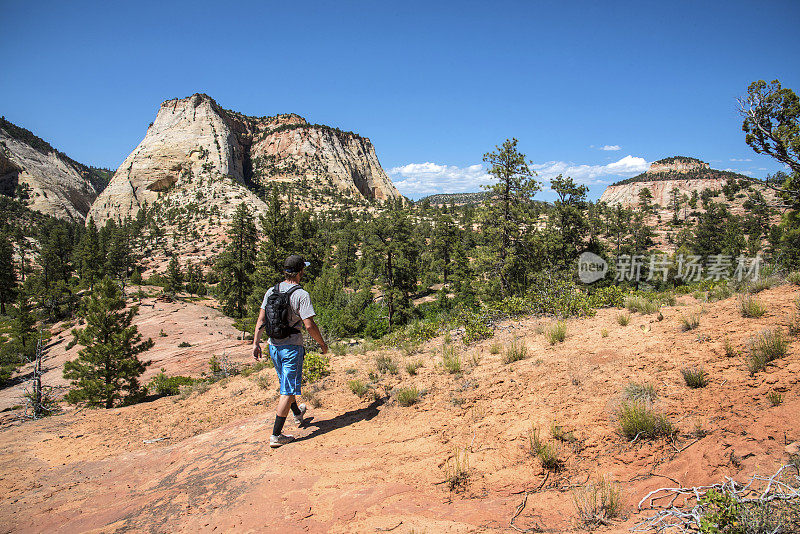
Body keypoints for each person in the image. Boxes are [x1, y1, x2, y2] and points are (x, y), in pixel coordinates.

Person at [253, 255, 329, 448]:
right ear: (300, 272)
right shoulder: (301, 295)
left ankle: (297, 414)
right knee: (287, 390)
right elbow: (309, 325)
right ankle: (276, 435)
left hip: (273, 346)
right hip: (291, 347)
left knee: (286, 382)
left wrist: (255, 343)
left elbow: (261, 320)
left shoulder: (271, 291)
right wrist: (322, 344)